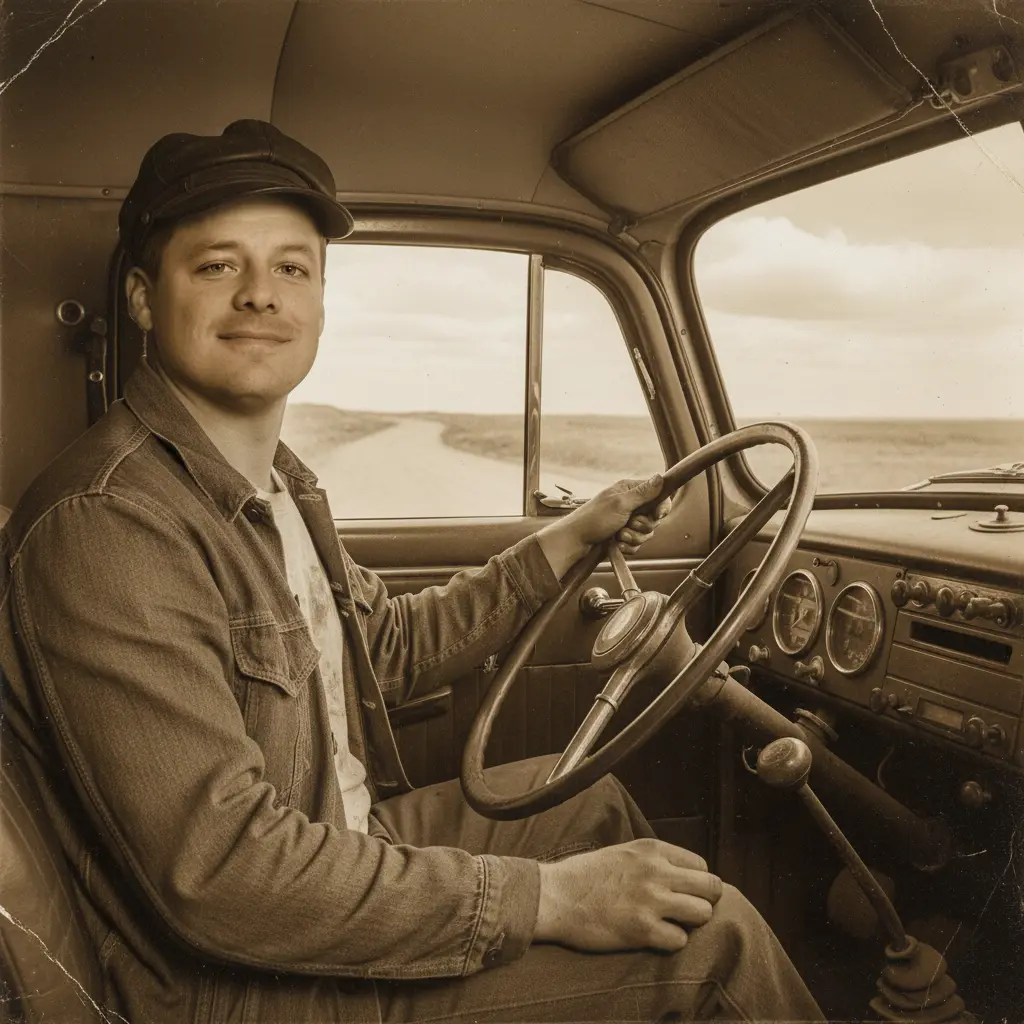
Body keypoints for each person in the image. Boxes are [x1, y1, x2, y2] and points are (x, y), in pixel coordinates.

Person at [0, 120, 823, 1023]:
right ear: (144, 298)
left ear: (319, 299)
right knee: (717, 948)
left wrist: (574, 536)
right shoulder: (112, 525)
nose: (260, 297)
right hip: (235, 989)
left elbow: (385, 650)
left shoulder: (273, 486)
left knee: (591, 809)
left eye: (291, 268)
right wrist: (549, 901)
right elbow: (225, 876)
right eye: (216, 266)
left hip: (329, 839)